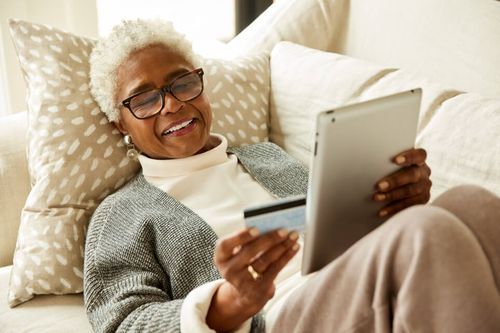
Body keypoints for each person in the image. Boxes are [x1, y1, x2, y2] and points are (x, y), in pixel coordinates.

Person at [83, 19, 500, 333]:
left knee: (472, 203)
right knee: (429, 231)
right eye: (145, 99)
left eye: (182, 84)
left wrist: (394, 204)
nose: (171, 106)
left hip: (349, 283)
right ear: (119, 122)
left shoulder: (265, 156)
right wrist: (230, 302)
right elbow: (123, 322)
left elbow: (334, 230)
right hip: (279, 319)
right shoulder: (119, 214)